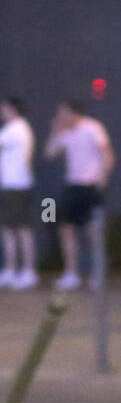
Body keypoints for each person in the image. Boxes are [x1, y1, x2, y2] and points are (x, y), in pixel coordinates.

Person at [44, 100, 114, 290]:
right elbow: (50, 153)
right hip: (72, 185)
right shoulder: (65, 132)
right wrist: (55, 130)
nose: (61, 117)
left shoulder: (92, 127)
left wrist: (103, 177)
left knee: (93, 231)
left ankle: (97, 274)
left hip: (90, 186)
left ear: (73, 112)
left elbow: (107, 155)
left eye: (63, 113)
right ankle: (71, 273)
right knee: (66, 228)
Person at [0, 96, 38, 290]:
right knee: (9, 229)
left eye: (4, 108)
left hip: (17, 186)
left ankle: (28, 272)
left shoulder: (17, 128)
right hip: (11, 187)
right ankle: (11, 270)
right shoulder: (13, 128)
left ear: (12, 109)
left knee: (21, 229)